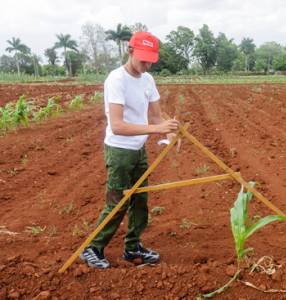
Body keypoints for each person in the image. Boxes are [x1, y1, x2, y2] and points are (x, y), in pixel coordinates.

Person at [79, 32, 179, 269]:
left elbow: (156, 115)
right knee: (117, 202)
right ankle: (93, 248)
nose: (147, 65)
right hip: (119, 151)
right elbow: (118, 125)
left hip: (138, 149)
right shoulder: (116, 80)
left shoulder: (148, 80)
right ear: (130, 51)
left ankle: (132, 247)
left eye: (151, 60)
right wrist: (157, 129)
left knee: (140, 201)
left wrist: (171, 131)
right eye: (143, 59)